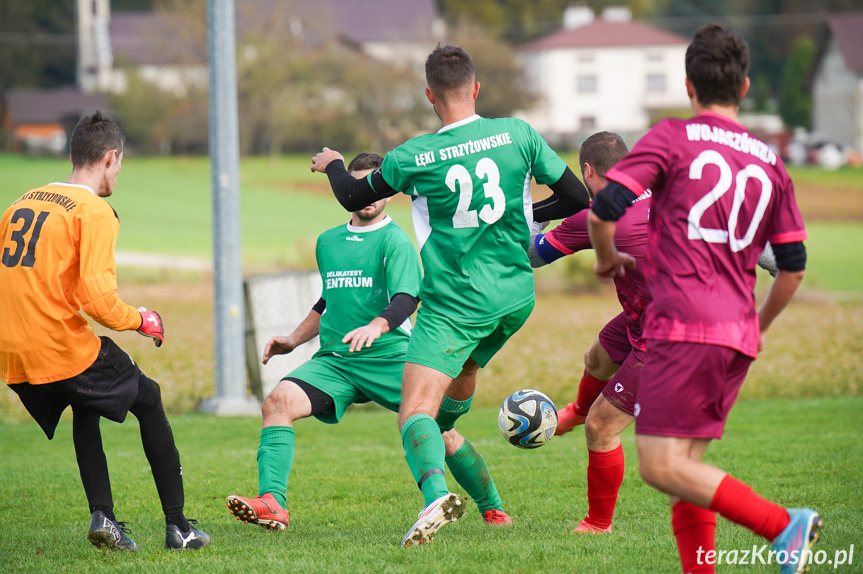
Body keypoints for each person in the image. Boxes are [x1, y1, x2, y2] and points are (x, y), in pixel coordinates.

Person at [311, 45, 591, 546]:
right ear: (476, 88)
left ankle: (435, 496)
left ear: (428, 96)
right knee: (461, 375)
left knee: (413, 413)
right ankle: (464, 467)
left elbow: (354, 197)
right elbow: (577, 198)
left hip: (456, 303)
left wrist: (334, 163)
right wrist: (523, 215)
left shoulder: (415, 155)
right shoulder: (519, 133)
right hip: (514, 299)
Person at [588, 25, 817, 574]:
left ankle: (782, 525)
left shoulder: (672, 138)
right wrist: (758, 326)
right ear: (744, 87)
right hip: (737, 335)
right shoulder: (770, 160)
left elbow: (604, 209)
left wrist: (604, 258)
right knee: (687, 469)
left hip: (683, 326)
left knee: (660, 465)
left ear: (689, 86)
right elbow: (793, 267)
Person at [226, 152, 513, 532]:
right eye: (358, 186)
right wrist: (294, 339)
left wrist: (377, 327)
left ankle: (486, 506)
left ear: (387, 191)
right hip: (336, 362)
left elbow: (407, 299)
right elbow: (329, 299)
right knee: (277, 402)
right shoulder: (328, 242)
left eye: (373, 187)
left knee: (439, 430)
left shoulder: (395, 241)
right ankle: (273, 503)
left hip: (390, 355)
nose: (367, 195)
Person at [0, 111, 209, 552]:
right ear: (110, 157)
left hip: (13, 348)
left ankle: (105, 518)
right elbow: (99, 302)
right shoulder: (94, 211)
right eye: (120, 165)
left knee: (86, 402)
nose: (119, 173)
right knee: (148, 399)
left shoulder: (24, 200)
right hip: (56, 342)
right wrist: (141, 319)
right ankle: (179, 528)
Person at [529, 131, 649, 534]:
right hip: (650, 314)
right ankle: (576, 412)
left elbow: (532, 256)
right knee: (598, 356)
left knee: (603, 426)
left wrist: (532, 217)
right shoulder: (664, 194)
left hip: (669, 337)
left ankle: (598, 525)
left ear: (587, 170)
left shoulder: (598, 215)